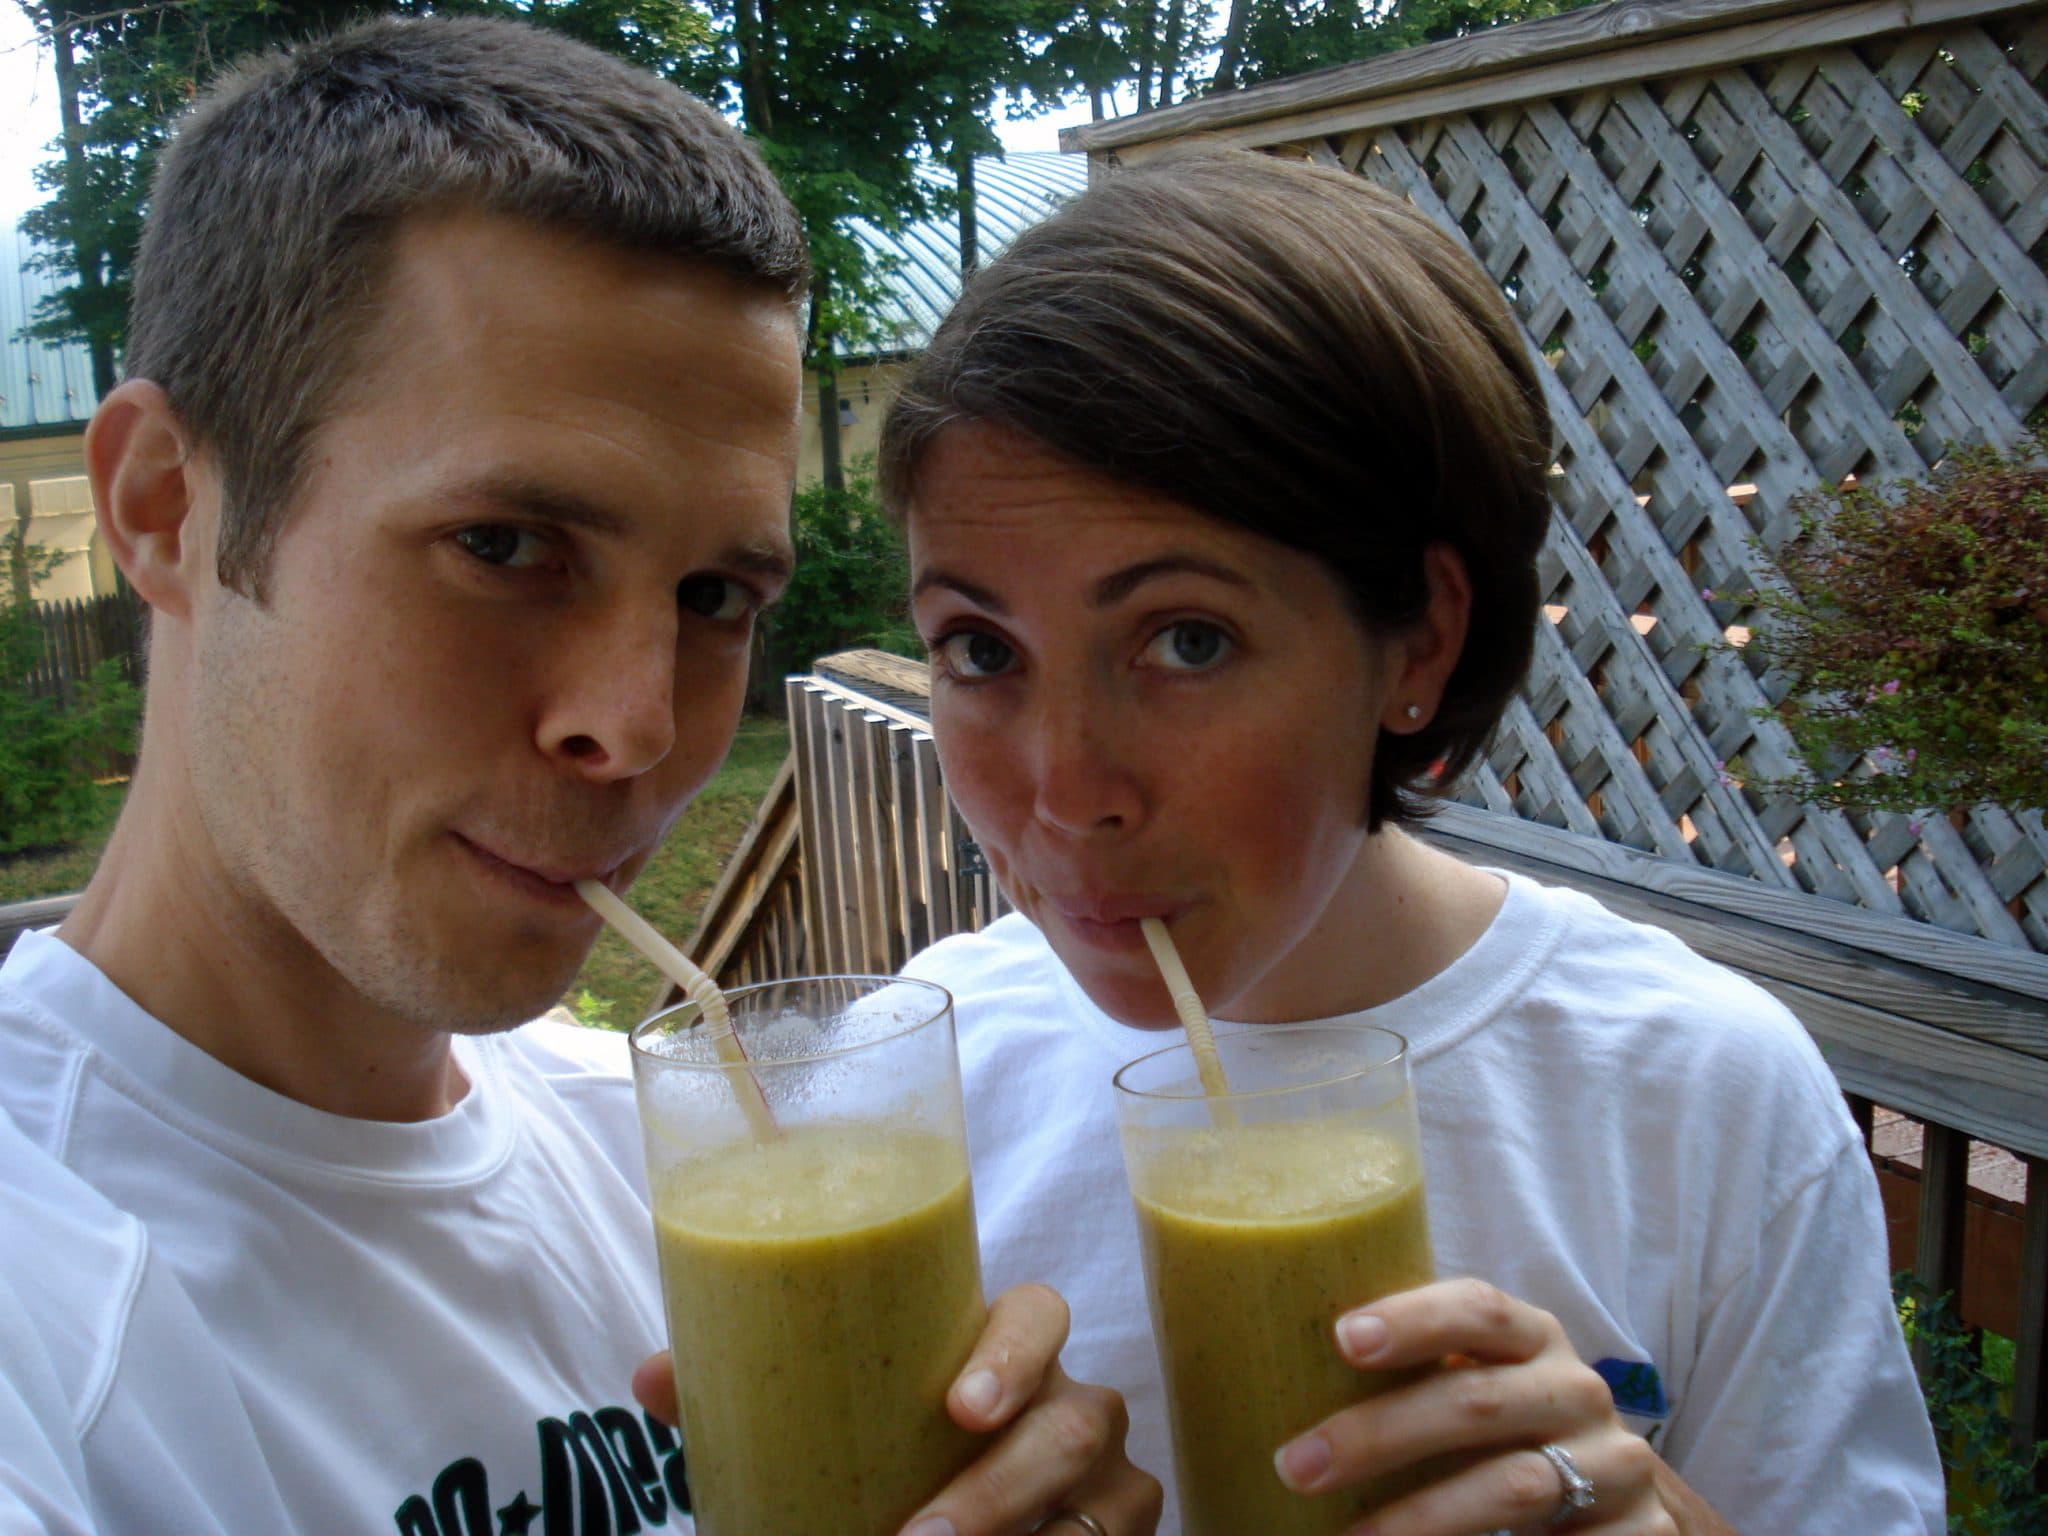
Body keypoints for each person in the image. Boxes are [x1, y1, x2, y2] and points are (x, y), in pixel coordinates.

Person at [0, 18, 1153, 1534]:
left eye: (713, 600)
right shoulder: (47, 1298)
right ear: (162, 510)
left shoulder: (658, 1166)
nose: (641, 729)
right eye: (505, 549)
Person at [878, 152, 1947, 1535]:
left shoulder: (1697, 1093)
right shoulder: (921, 1101)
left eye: (1187, 640)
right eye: (980, 649)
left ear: (1421, 640)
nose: (1065, 791)